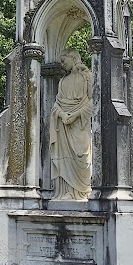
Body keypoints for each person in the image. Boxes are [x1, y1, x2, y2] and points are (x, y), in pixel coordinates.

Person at [49, 49, 92, 199]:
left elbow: (94, 101)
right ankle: (65, 192)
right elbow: (56, 104)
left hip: (80, 124)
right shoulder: (63, 81)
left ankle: (81, 193)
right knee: (64, 158)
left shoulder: (87, 77)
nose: (62, 64)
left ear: (73, 58)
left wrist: (75, 115)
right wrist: (62, 114)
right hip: (63, 125)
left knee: (83, 158)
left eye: (63, 61)